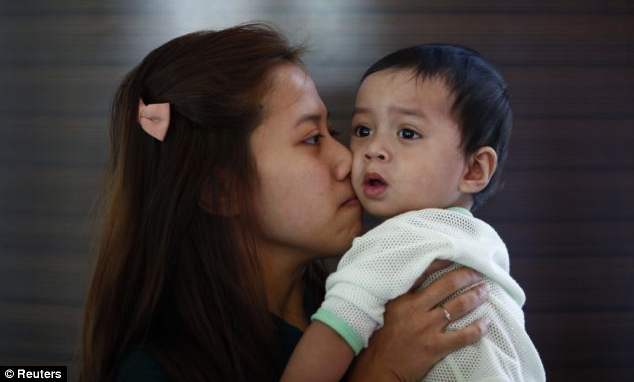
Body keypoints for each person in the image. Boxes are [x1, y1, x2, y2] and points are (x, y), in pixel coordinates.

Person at [79, 26, 491, 382]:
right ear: (222, 190)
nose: (348, 160)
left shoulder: (372, 295)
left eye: (335, 133)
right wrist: (380, 372)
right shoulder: (155, 370)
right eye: (312, 139)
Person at [282, 45, 546, 381]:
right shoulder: (484, 242)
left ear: (474, 169)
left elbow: (333, 333)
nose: (373, 149)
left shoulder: (396, 241)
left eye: (407, 133)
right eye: (363, 130)